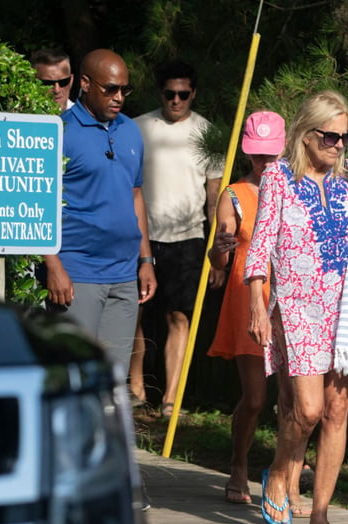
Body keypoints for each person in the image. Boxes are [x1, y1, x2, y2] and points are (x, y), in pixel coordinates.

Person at [245, 90, 348, 524]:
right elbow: (260, 247)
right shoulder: (279, 178)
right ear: (306, 135)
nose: (339, 145)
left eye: (345, 137)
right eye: (330, 136)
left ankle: (320, 516)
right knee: (307, 409)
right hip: (297, 308)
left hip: (344, 308)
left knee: (337, 409)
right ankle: (281, 473)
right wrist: (257, 308)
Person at [207, 110, 309, 511]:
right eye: (257, 155)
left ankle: (288, 477)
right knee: (254, 398)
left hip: (291, 300)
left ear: (284, 148)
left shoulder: (297, 188)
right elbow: (219, 257)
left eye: (270, 154)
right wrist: (218, 252)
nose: (264, 163)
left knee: (295, 399)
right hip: (248, 299)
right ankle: (238, 463)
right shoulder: (234, 193)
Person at [42, 48, 156, 371]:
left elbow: (136, 196)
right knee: (74, 375)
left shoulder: (130, 130)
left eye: (125, 89)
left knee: (111, 380)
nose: (119, 97)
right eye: (110, 89)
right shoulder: (60, 131)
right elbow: (41, 203)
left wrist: (146, 260)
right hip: (77, 272)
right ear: (86, 84)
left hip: (123, 273)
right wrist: (53, 265)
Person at [128, 59, 223, 417]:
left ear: (193, 93)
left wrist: (216, 251)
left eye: (184, 94)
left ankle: (170, 399)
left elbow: (215, 198)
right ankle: (136, 388)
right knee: (135, 312)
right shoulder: (137, 128)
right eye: (170, 94)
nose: (177, 101)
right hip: (142, 237)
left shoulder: (208, 134)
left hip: (188, 240)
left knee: (178, 317)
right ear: (160, 93)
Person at [30, 47, 75, 112]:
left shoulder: (86, 118)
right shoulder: (20, 117)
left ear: (71, 80)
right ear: (33, 84)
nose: (57, 90)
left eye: (63, 82)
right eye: (47, 83)